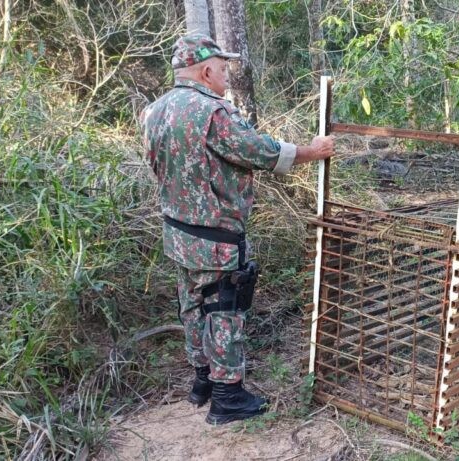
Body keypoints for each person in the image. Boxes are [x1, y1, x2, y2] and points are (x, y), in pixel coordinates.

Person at [141, 33, 334, 425]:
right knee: (224, 307)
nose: (227, 76)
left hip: (178, 231)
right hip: (215, 235)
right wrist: (313, 151)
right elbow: (259, 151)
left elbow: (156, 164)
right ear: (207, 70)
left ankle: (203, 382)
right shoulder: (212, 113)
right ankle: (227, 395)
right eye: (224, 69)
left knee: (193, 305)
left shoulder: (156, 110)